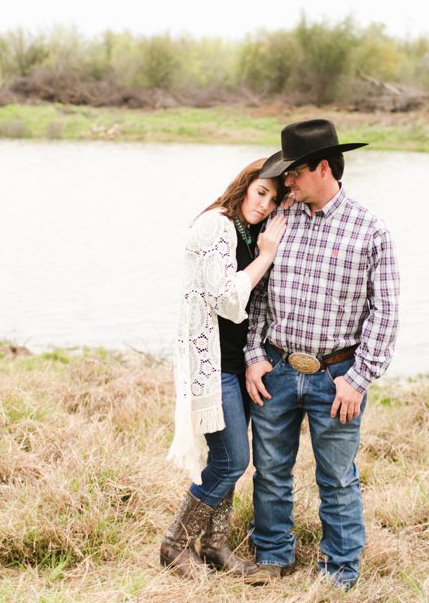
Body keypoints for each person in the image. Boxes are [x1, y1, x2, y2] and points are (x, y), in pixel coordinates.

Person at [244, 119, 400, 590]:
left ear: (324, 168)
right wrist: (253, 354)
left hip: (338, 376)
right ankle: (272, 554)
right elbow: (258, 295)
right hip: (277, 367)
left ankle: (339, 571)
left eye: (294, 172)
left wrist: (359, 379)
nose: (286, 181)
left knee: (336, 477)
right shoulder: (279, 219)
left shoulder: (370, 230)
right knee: (270, 469)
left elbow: (386, 313)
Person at [162, 153, 288, 580]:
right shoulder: (217, 225)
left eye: (273, 200)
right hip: (212, 363)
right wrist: (267, 255)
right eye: (261, 193)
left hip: (239, 362)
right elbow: (227, 300)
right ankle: (175, 544)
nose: (265, 206)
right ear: (244, 185)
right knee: (233, 460)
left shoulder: (248, 232)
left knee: (228, 458)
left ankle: (215, 545)